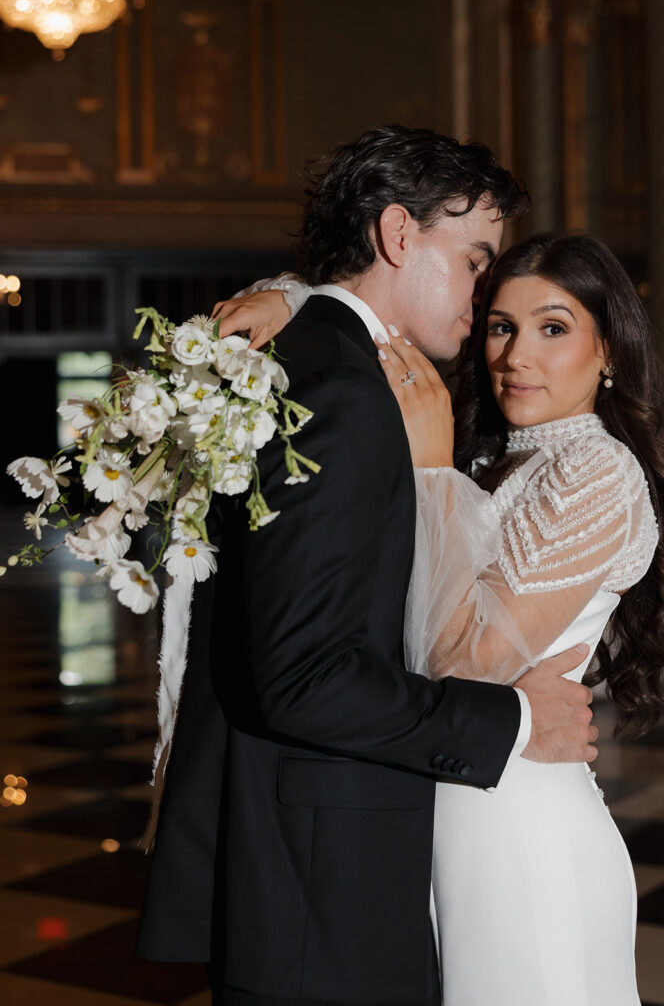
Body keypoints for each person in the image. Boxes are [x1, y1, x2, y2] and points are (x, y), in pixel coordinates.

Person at [136, 126, 598, 1006]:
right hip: (322, 876)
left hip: (285, 849)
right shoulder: (348, 394)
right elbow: (308, 678)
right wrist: (510, 722)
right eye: (472, 259)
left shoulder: (294, 361)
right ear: (396, 236)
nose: (482, 291)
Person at [227, 232, 664, 1004]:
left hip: (522, 833)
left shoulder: (594, 472)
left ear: (607, 349)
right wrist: (290, 295)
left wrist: (429, 472)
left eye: (552, 327)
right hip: (449, 808)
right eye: (500, 326)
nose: (515, 355)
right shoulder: (494, 457)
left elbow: (466, 663)